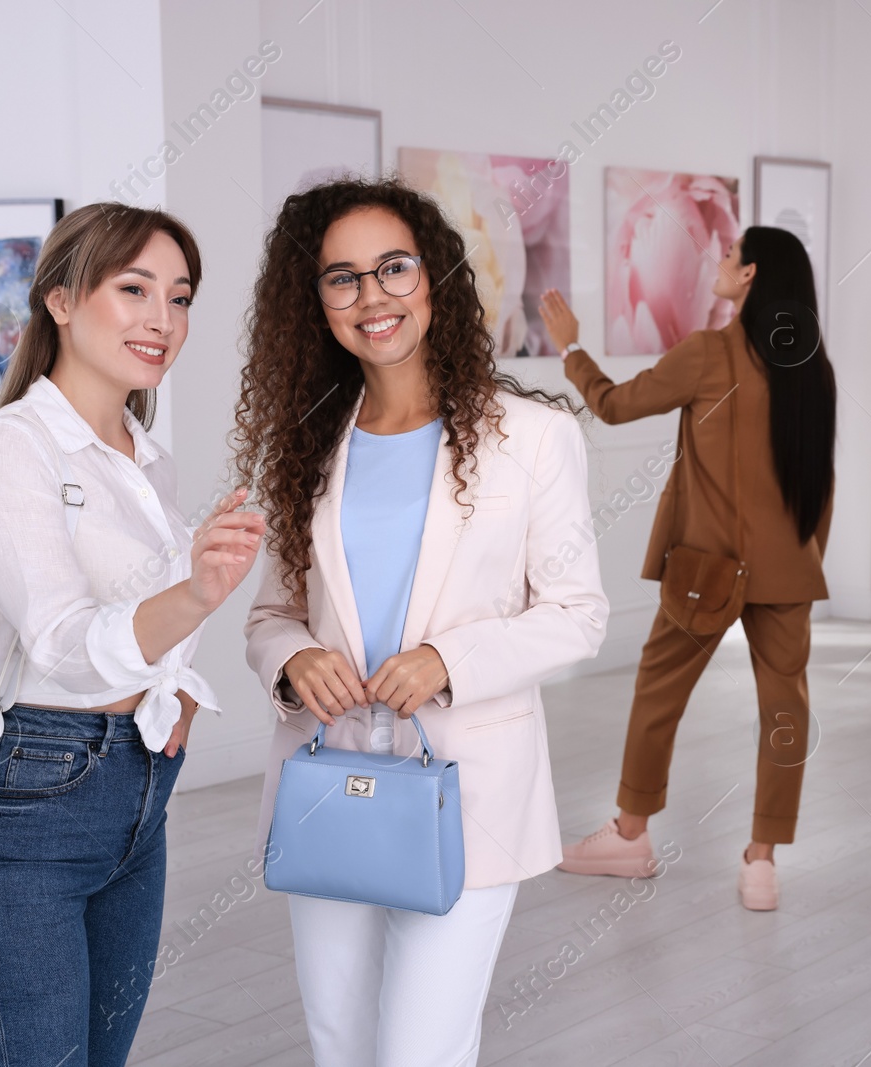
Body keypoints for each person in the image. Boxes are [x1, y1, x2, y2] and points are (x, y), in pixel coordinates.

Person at [236, 177, 608, 1067]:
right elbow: (271, 614)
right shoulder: (308, 443)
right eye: (342, 278)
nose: (373, 297)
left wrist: (450, 657)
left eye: (393, 268)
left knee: (420, 1051)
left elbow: (579, 615)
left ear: (434, 277)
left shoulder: (533, 438)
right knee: (339, 1041)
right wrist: (293, 660)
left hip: (469, 790)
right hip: (328, 782)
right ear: (314, 300)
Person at [0, 203, 266, 1066]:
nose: (162, 318)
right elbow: (67, 644)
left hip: (135, 801)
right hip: (21, 808)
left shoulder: (148, 459)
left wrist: (178, 687)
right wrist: (195, 592)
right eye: (134, 288)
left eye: (180, 297)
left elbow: (140, 635)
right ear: (61, 301)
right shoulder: (11, 447)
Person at [539, 225, 835, 912]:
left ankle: (631, 835)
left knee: (657, 693)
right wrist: (806, 554)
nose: (719, 265)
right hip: (790, 567)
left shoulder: (709, 354)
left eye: (730, 257)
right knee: (786, 711)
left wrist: (571, 348)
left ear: (752, 274)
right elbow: (820, 482)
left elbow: (613, 405)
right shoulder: (813, 367)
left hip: (708, 567)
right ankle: (762, 861)